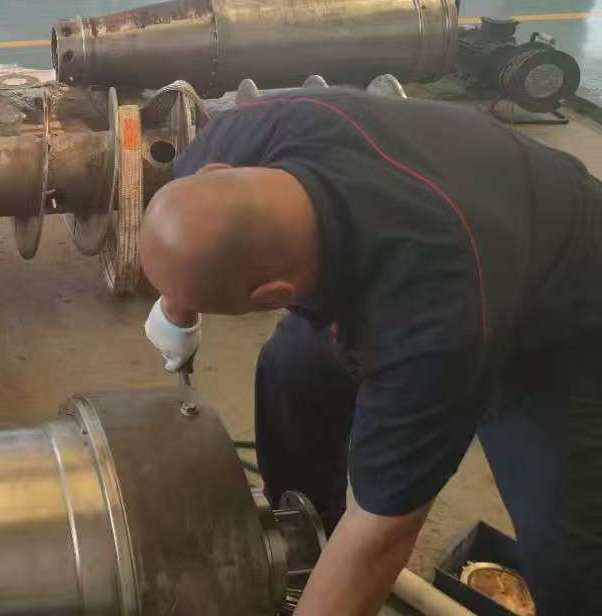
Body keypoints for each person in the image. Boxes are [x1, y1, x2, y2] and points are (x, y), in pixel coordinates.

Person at [137, 88, 602, 616]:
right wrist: (177, 306)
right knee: (292, 374)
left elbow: (383, 531)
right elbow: (189, 225)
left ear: (273, 296)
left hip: (558, 306)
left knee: (566, 549)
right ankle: (307, 540)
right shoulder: (238, 137)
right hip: (463, 219)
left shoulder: (431, 317)